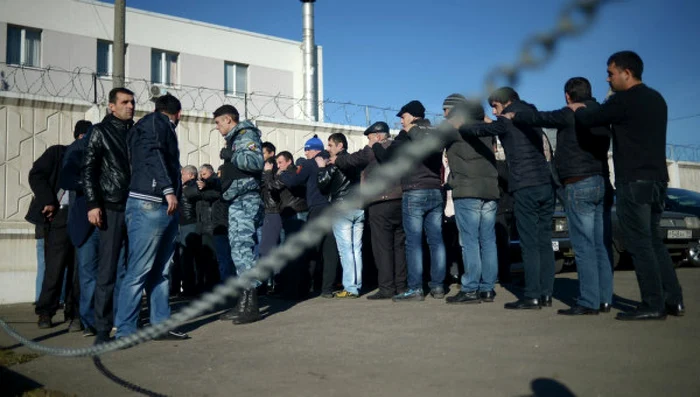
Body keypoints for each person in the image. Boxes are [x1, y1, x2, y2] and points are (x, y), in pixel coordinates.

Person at [570, 51, 684, 320]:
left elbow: (590, 119)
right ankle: (673, 299)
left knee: (639, 243)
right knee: (655, 241)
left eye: (610, 73)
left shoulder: (624, 100)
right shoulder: (657, 98)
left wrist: (580, 108)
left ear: (626, 73)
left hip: (633, 180)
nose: (607, 79)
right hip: (658, 180)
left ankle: (653, 304)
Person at [506, 77, 613, 315]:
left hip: (577, 181)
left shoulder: (572, 112)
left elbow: (542, 118)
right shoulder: (601, 113)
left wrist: (516, 116)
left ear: (567, 95)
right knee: (599, 245)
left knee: (583, 246)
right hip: (600, 181)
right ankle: (604, 299)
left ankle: (588, 301)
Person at [457, 88, 555, 310]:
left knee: (529, 244)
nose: (494, 110)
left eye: (495, 106)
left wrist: (463, 125)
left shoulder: (508, 119)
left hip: (525, 185)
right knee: (544, 242)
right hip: (545, 184)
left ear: (505, 102)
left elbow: (483, 130)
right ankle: (547, 293)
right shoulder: (531, 115)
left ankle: (531, 296)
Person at [115, 93, 188, 340]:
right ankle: (125, 330)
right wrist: (168, 189)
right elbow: (154, 154)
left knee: (159, 271)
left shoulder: (147, 125)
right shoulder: (157, 123)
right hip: (151, 202)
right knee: (139, 270)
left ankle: (159, 325)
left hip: (157, 205)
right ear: (178, 113)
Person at [373, 100, 446, 302]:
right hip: (435, 190)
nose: (401, 122)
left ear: (413, 116)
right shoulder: (434, 131)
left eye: (403, 117)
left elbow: (387, 158)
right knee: (436, 241)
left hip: (414, 190)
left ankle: (415, 289)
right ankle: (438, 286)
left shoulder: (407, 135)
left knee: (413, 243)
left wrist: (376, 145)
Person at [82, 87, 134, 343]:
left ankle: (125, 322)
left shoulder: (136, 132)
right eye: (124, 102)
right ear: (111, 106)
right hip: (111, 207)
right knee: (108, 270)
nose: (130, 106)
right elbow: (89, 170)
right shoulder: (99, 132)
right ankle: (102, 328)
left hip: (135, 207)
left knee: (130, 271)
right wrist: (93, 204)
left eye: (132, 102)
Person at [332, 122, 406, 300]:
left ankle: (387, 288)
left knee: (383, 247)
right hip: (400, 200)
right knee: (399, 247)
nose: (368, 141)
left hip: (380, 202)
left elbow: (351, 160)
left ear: (378, 136)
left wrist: (336, 159)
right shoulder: (398, 147)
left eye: (370, 137)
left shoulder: (373, 150)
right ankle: (402, 286)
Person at [442, 96, 500, 305]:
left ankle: (470, 288)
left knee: (469, 242)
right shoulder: (486, 130)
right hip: (490, 191)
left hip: (467, 191)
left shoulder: (455, 129)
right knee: (488, 241)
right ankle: (488, 288)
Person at [215, 105, 265, 325]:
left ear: (228, 119)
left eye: (218, 122)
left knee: (243, 249)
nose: (217, 127)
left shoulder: (246, 135)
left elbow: (255, 162)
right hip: (237, 200)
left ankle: (251, 305)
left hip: (246, 199)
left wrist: (232, 154)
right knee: (238, 251)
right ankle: (243, 303)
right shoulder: (236, 137)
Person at [27, 132, 77, 329]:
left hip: (81, 217)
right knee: (54, 267)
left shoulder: (91, 157)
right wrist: (48, 200)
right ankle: (46, 311)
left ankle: (74, 312)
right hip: (59, 216)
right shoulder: (57, 153)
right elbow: (36, 175)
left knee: (77, 269)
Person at [279, 135, 340, 299]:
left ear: (313, 150)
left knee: (310, 250)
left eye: (306, 150)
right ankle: (327, 288)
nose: (305, 154)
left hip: (317, 209)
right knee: (330, 250)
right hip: (333, 208)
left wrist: (282, 174)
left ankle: (303, 288)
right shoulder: (333, 161)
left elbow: (294, 181)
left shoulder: (309, 163)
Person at [59, 120, 100, 335]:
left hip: (106, 220)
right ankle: (86, 319)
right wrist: (91, 185)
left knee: (105, 272)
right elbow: (66, 179)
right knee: (86, 273)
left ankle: (101, 317)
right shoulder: (77, 152)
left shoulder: (106, 153)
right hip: (84, 221)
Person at [317, 133, 364, 298]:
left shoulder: (335, 164)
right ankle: (356, 285)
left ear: (340, 146)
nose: (328, 148)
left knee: (346, 250)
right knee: (356, 249)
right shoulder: (354, 162)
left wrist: (322, 167)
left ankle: (350, 287)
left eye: (330, 145)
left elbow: (323, 185)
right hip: (358, 207)